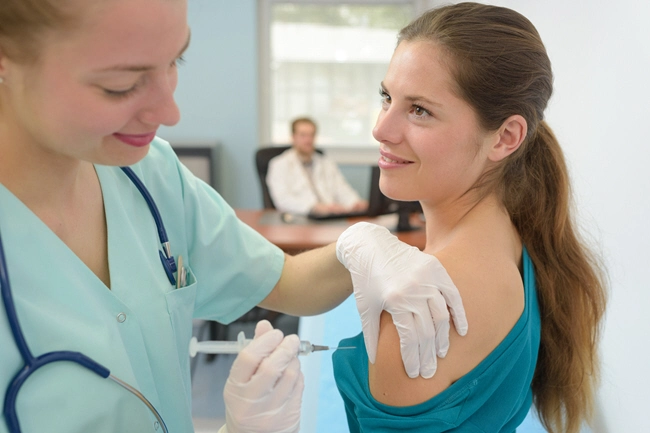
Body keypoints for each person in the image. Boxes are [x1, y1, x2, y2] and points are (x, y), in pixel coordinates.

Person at [0, 1, 468, 432]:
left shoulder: (149, 175)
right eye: (120, 85)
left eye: (175, 62)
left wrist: (362, 245)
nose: (170, 112)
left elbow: (286, 280)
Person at [333, 3, 607, 433]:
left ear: (506, 137)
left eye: (419, 109)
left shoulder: (424, 313)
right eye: (387, 97)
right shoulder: (511, 235)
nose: (381, 129)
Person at [266, 117, 368, 215]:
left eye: (311, 135)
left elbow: (342, 189)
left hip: (330, 217)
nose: (308, 140)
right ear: (293, 137)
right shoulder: (279, 164)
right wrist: (313, 207)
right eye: (303, 135)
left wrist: (355, 203)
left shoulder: (326, 163)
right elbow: (283, 200)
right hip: (300, 219)